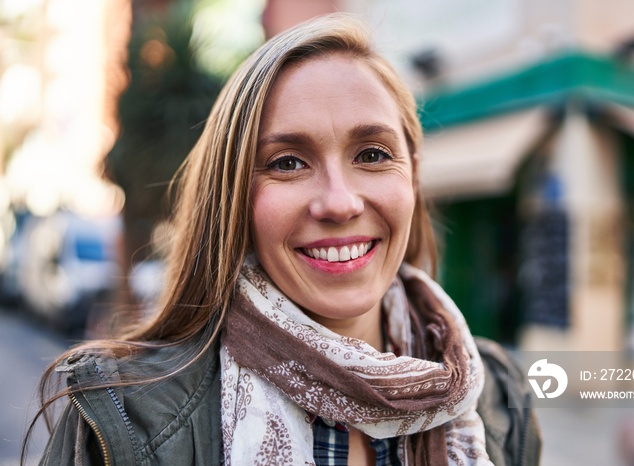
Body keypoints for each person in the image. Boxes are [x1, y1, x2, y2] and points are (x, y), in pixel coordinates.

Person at [28, 13, 541, 466]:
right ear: (232, 200)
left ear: (413, 177)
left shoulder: (498, 394)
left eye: (372, 154)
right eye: (287, 163)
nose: (340, 202)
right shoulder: (126, 416)